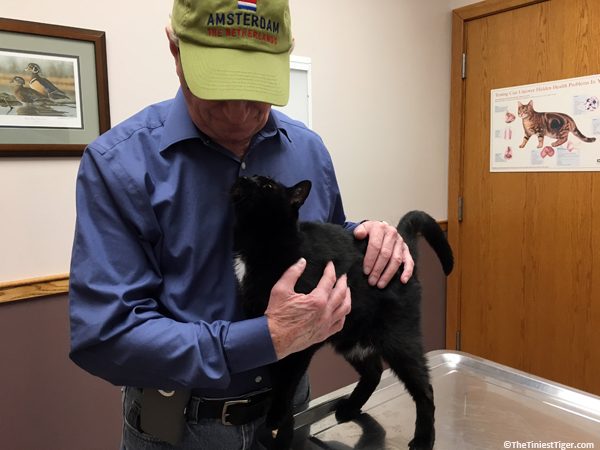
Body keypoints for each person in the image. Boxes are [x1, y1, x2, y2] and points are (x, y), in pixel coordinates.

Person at [68, 0, 414, 448]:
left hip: (291, 409)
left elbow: (320, 237)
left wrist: (368, 234)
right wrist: (260, 339)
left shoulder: (308, 151)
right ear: (175, 48)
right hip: (178, 426)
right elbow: (106, 335)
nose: (237, 115)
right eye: (216, 88)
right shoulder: (117, 166)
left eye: (254, 90)